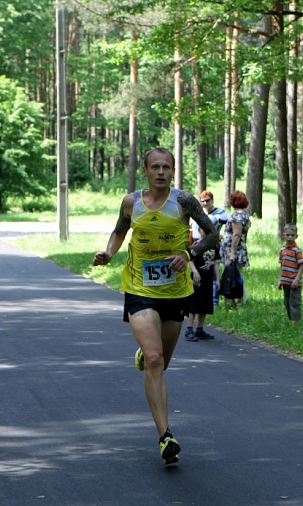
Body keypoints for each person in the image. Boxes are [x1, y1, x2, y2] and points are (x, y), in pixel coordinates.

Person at [92, 148, 218, 465]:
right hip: (139, 287)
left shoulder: (185, 202)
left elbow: (213, 234)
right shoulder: (131, 203)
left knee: (163, 363)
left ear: (173, 171)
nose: (160, 172)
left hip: (175, 291)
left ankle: (147, 354)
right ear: (145, 171)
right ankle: (165, 437)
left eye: (166, 167)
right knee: (154, 359)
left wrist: (188, 256)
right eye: (155, 167)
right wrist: (108, 253)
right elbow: (119, 231)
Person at [185, 190, 227, 341]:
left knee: (205, 304)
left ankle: (200, 329)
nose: (205, 232)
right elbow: (189, 259)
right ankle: (189, 328)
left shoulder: (214, 247)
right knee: (194, 303)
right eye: (203, 229)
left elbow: (216, 262)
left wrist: (218, 279)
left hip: (209, 278)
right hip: (197, 277)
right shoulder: (196, 245)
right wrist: (194, 272)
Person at [220, 190, 251, 305]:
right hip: (235, 248)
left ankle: (236, 300)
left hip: (233, 250)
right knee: (235, 274)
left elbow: (236, 234)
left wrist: (232, 252)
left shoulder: (237, 215)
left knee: (232, 275)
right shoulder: (243, 214)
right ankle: (235, 300)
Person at [277, 223, 303, 324]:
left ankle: (295, 322)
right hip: (286, 282)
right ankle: (291, 320)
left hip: (294, 283)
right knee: (287, 302)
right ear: (283, 235)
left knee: (294, 302)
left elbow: (301, 265)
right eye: (287, 235)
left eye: (292, 235)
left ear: (296, 236)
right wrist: (280, 279)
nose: (289, 237)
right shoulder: (282, 250)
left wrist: (297, 279)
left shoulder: (297, 251)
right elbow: (282, 266)